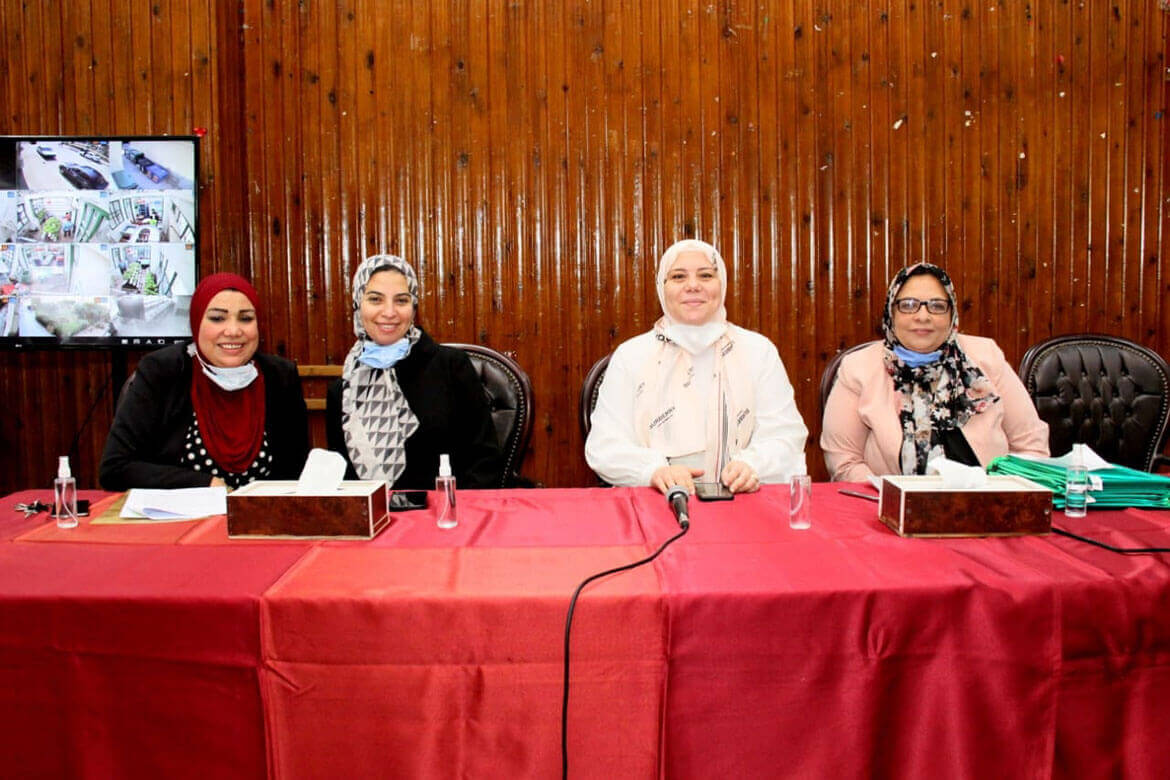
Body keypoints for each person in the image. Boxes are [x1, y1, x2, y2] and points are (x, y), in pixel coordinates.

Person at [585, 238, 809, 494]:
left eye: (705, 275)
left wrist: (752, 465)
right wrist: (654, 471)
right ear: (662, 287)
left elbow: (786, 435)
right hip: (655, 501)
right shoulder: (631, 355)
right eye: (679, 277)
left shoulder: (758, 351)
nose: (693, 286)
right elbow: (604, 446)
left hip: (742, 502)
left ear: (721, 284)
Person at [820, 262, 1049, 482]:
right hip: (890, 510)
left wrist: (1001, 498)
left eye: (937, 306)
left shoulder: (986, 356)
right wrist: (888, 498)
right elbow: (844, 461)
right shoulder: (859, 367)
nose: (923, 316)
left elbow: (1031, 446)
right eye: (908, 305)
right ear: (891, 312)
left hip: (986, 507)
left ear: (952, 315)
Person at [100, 272, 309, 490]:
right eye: (217, 318)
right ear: (196, 321)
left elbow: (295, 474)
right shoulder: (162, 371)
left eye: (246, 318)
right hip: (180, 521)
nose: (233, 331)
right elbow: (115, 468)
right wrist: (203, 484)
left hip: (259, 520)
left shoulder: (281, 377)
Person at [326, 254, 504, 489]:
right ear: (358, 305)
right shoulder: (343, 390)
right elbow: (344, 482)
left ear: (414, 307)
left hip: (449, 516)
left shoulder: (452, 367)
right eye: (375, 299)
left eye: (401, 301)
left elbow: (485, 462)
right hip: (376, 521)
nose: (389, 312)